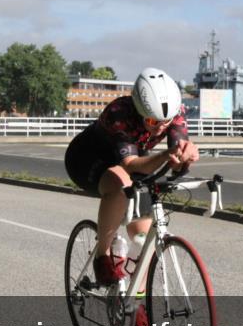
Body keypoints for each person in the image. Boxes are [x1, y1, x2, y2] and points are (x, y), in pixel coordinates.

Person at [65, 67, 199, 285]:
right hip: (87, 159)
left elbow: (176, 154)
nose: (161, 127)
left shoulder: (172, 112)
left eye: (166, 122)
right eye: (153, 122)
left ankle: (134, 306)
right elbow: (130, 164)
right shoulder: (119, 112)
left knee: (143, 240)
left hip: (134, 161)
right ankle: (102, 257)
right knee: (120, 183)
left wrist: (185, 158)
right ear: (139, 110)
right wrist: (166, 154)